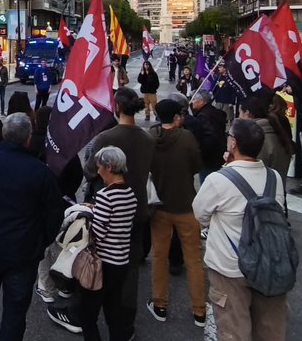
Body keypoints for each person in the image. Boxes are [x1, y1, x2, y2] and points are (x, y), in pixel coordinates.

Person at [0, 113, 64, 341]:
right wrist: (41, 241)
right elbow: (55, 213)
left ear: (4, 134)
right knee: (14, 313)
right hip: (23, 252)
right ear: (28, 138)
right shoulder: (40, 171)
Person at [193, 119, 289, 340]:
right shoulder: (274, 177)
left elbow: (200, 214)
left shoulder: (219, 179)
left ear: (233, 143)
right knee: (269, 329)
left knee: (233, 330)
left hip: (230, 268)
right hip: (269, 265)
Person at [77, 88, 155, 328]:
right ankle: (124, 320)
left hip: (108, 209)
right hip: (139, 208)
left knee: (101, 261)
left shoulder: (106, 138)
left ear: (117, 108)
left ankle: (100, 309)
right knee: (130, 267)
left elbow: (90, 171)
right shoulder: (148, 138)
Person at [54, 146, 137, 341]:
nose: (98, 171)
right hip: (121, 261)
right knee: (113, 310)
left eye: (100, 167)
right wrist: (97, 208)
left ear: (109, 167)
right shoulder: (129, 194)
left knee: (88, 315)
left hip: (103, 264)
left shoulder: (106, 197)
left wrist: (88, 217)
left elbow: (97, 234)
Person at [148, 99, 207, 328]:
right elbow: (196, 166)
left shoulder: (151, 139)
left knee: (159, 257)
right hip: (185, 204)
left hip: (160, 205)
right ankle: (199, 310)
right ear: (176, 117)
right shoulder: (186, 138)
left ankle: (160, 304)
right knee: (193, 260)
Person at [188, 90, 229, 181]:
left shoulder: (204, 117)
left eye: (194, 99)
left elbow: (209, 138)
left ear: (201, 101)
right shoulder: (212, 112)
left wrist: (201, 154)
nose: (191, 101)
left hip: (209, 160)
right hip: (218, 156)